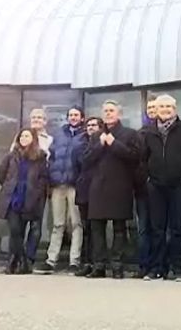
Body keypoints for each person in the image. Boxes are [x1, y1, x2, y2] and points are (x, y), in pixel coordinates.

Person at [144, 94, 181, 281]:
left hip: (179, 186)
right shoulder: (149, 131)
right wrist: (148, 177)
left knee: (178, 228)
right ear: (157, 110)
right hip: (156, 186)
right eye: (162, 107)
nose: (166, 110)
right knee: (157, 228)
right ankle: (157, 268)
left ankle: (179, 269)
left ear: (175, 109)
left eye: (169, 107)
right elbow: (142, 158)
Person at [84, 100, 142, 279]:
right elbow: (85, 160)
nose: (108, 114)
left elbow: (135, 157)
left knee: (119, 229)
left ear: (119, 114)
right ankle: (99, 265)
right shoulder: (96, 136)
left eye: (111, 111)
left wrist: (114, 143)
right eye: (106, 111)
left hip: (120, 186)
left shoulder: (130, 134)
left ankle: (117, 265)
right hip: (98, 187)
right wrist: (100, 145)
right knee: (97, 229)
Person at [34, 106, 86, 275]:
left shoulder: (85, 135)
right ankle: (51, 260)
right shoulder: (58, 135)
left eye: (76, 115)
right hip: (58, 185)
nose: (73, 117)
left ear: (82, 118)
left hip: (75, 185)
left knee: (76, 224)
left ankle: (74, 261)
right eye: (70, 115)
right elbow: (52, 157)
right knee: (58, 224)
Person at [0, 128, 49, 274]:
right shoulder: (11, 156)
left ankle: (20, 262)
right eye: (22, 136)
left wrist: (37, 192)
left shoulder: (40, 156)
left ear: (33, 139)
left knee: (28, 230)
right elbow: (1, 173)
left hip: (30, 198)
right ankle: (16, 260)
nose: (24, 138)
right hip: (13, 198)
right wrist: (9, 186)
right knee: (15, 230)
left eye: (27, 136)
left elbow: (44, 178)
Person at [10, 108, 53, 270]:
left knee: (35, 227)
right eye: (33, 117)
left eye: (40, 117)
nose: (36, 119)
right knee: (17, 227)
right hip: (20, 190)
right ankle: (16, 260)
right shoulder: (19, 138)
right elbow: (8, 167)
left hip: (38, 189)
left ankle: (29, 260)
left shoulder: (50, 140)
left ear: (45, 121)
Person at [72, 116, 104, 277]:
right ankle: (87, 262)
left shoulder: (106, 141)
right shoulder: (80, 144)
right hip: (84, 189)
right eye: (89, 125)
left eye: (94, 125)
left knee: (97, 229)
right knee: (86, 229)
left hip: (100, 190)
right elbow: (81, 161)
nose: (91, 127)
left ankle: (98, 263)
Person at [133, 96, 157, 279]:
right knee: (143, 228)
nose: (152, 110)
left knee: (160, 228)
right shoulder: (140, 133)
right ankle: (144, 265)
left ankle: (160, 265)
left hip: (162, 186)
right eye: (149, 108)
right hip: (142, 188)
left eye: (154, 107)